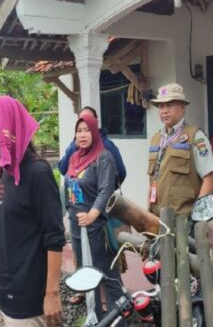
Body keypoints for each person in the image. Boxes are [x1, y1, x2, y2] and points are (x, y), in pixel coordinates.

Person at [0, 96, 64, 327]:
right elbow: (2, 230)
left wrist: (52, 294)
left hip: (27, 298)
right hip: (2, 291)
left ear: (3, 131)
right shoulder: (6, 170)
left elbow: (54, 237)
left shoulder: (38, 174)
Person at [65, 113, 122, 323]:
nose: (82, 135)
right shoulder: (74, 157)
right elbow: (69, 188)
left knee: (105, 274)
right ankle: (97, 318)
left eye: (87, 130)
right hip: (77, 226)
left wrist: (92, 215)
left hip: (96, 226)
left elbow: (106, 190)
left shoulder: (103, 156)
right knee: (87, 275)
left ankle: (118, 318)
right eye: (79, 131)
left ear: (95, 132)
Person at [147, 83, 213, 217]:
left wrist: (198, 216)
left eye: (169, 105)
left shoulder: (195, 136)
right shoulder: (156, 138)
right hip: (157, 217)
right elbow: (152, 180)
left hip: (183, 218)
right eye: (161, 106)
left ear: (183, 107)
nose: (164, 111)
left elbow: (209, 179)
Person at [58, 106, 126, 183]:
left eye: (88, 119)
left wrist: (105, 187)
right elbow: (62, 169)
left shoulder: (106, 145)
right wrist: (74, 146)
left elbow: (121, 172)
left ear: (96, 122)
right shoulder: (77, 144)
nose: (85, 122)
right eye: (82, 120)